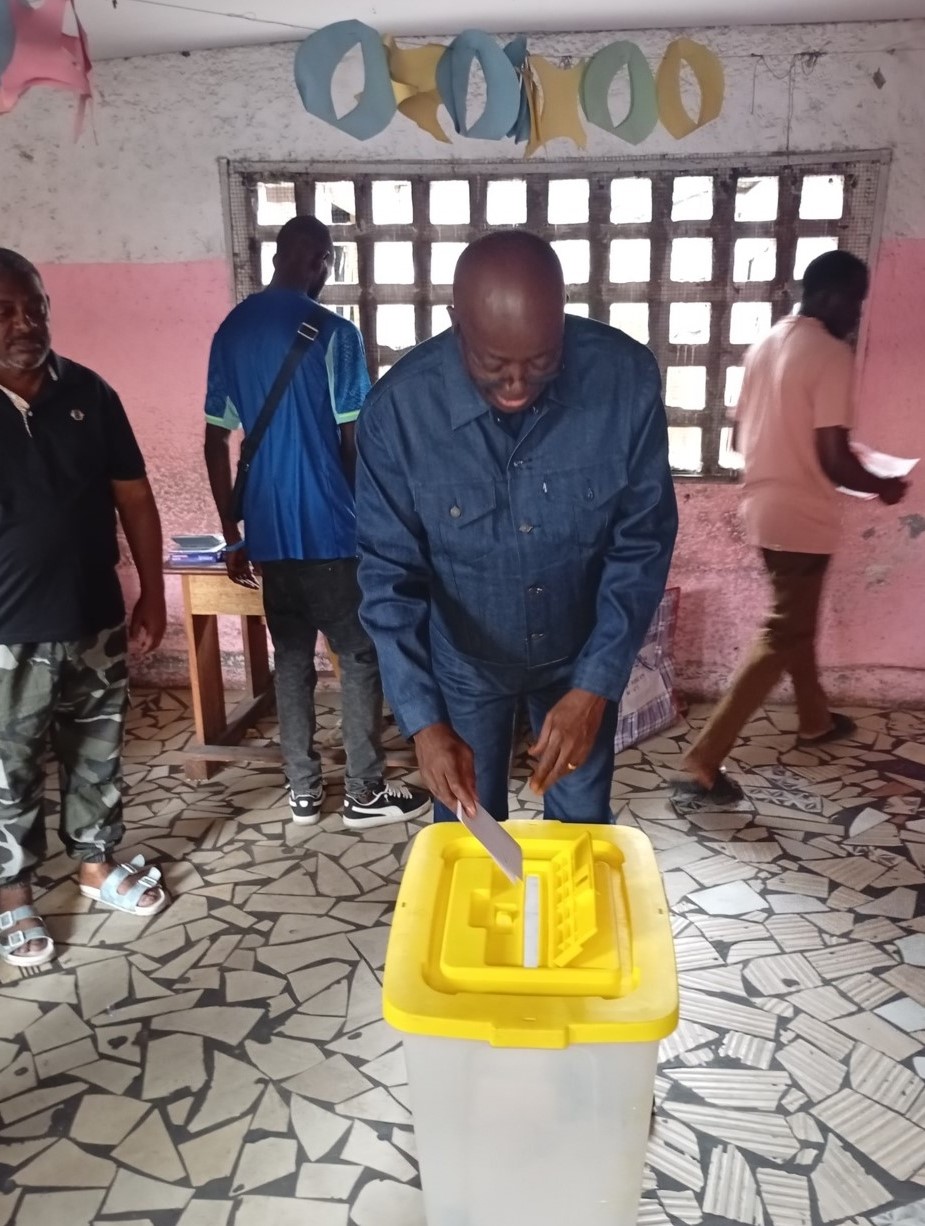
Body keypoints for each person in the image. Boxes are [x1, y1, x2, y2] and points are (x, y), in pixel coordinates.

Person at [355, 231, 677, 824]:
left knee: (581, 828)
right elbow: (387, 577)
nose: (517, 386)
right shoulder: (398, 413)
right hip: (464, 662)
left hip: (579, 657)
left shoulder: (625, 381)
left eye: (541, 362)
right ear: (456, 322)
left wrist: (596, 687)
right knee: (470, 832)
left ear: (562, 322)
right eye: (494, 364)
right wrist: (424, 723)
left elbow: (642, 544)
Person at [203, 216, 429, 830]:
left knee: (292, 660)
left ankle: (302, 792)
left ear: (277, 257)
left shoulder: (232, 329)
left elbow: (215, 440)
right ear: (321, 260)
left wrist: (233, 533)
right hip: (332, 530)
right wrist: (375, 522)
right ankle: (363, 791)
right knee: (358, 656)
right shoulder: (335, 333)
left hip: (268, 535)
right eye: (329, 261)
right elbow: (354, 442)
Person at [681, 250, 908, 800]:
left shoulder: (765, 345)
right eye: (855, 300)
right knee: (784, 629)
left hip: (762, 509)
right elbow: (832, 459)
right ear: (829, 294)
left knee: (795, 619)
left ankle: (815, 720)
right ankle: (702, 761)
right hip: (803, 516)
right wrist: (883, 484)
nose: (856, 314)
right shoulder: (829, 353)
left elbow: (741, 439)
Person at [0, 249, 169, 968]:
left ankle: (97, 866)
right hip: (7, 633)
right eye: (4, 312)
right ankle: (11, 893)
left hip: (94, 618)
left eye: (34, 307)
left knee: (96, 752)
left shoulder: (90, 393)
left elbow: (134, 496)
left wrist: (152, 590)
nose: (25, 324)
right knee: (7, 768)